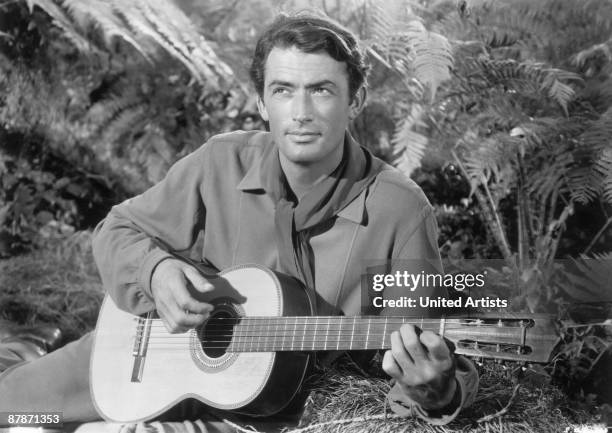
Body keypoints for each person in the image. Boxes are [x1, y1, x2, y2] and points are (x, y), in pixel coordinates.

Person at [0, 11, 478, 429]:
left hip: (271, 409)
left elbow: (418, 355)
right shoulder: (220, 162)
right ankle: (24, 347)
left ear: (355, 100)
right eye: (284, 91)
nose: (301, 113)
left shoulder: (403, 210)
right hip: (156, 355)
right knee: (12, 411)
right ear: (261, 102)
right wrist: (157, 271)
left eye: (322, 91)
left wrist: (436, 392)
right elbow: (117, 230)